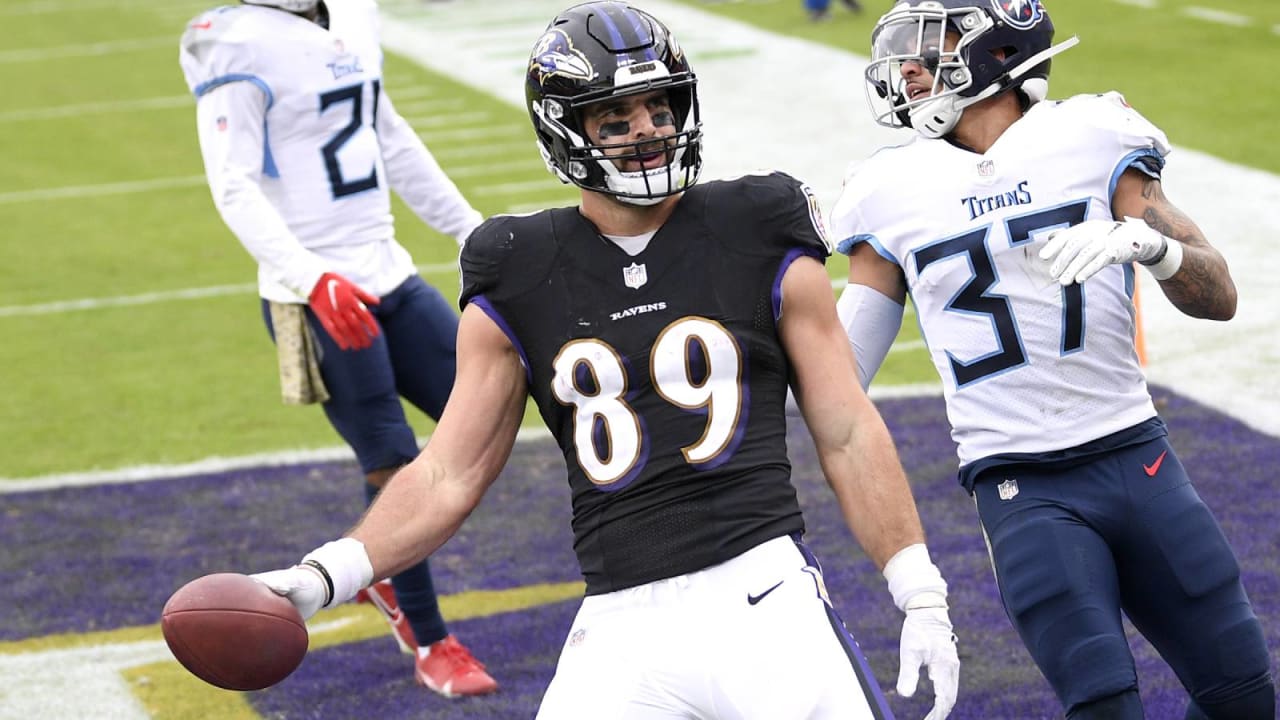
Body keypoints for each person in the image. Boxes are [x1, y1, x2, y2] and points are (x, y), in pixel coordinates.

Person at [247, 2, 960, 718]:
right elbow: (447, 470)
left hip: (764, 594)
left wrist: (917, 585)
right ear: (566, 130)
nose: (647, 130)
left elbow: (844, 428)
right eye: (614, 117)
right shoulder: (517, 268)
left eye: (659, 106)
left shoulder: (757, 225)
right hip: (620, 627)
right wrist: (328, 572)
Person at [830, 1, 1275, 718]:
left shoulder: (1093, 136)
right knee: (1105, 707)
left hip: (1136, 453)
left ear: (998, 51)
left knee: (1244, 695)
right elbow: (840, 374)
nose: (909, 68)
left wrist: (1150, 248)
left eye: (931, 45)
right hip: (1021, 486)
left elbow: (1217, 295)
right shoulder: (888, 189)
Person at [178, 0, 497, 698]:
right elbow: (232, 183)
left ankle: (378, 568)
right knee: (392, 458)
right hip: (314, 289)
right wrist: (311, 278)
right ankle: (428, 635)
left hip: (388, 269)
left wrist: (469, 229)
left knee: (486, 415)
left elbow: (388, 132)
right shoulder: (232, 40)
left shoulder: (353, 11)